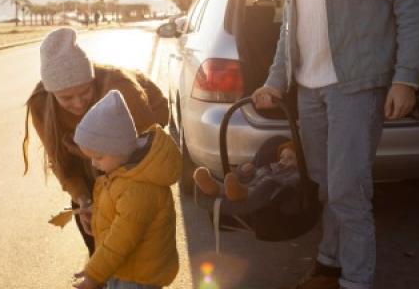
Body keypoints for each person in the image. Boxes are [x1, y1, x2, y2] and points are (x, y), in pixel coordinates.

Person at [252, 0, 419, 288]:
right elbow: (289, 22)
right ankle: (330, 264)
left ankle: (356, 280)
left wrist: (405, 78)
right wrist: (275, 79)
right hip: (309, 89)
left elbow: (411, 3)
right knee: (324, 186)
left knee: (349, 192)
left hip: (357, 85)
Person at [22, 27, 169, 256]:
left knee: (139, 249)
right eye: (67, 98)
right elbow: (62, 164)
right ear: (52, 93)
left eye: (85, 91)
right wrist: (83, 200)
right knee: (98, 248)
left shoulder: (120, 87)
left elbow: (149, 150)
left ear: (92, 80)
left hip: (134, 153)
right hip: (90, 163)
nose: (79, 103)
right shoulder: (40, 104)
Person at [70, 90, 180, 289]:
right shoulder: (125, 173)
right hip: (127, 269)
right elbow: (120, 213)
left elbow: (120, 241)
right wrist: (97, 212)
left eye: (99, 157)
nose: (94, 164)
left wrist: (93, 275)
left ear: (118, 148)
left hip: (137, 278)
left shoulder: (138, 188)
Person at [193, 137, 299, 202]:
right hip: (251, 183)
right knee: (234, 180)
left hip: (263, 193)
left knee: (255, 189)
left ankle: (236, 192)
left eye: (290, 158)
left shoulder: (295, 174)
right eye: (282, 157)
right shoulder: (271, 166)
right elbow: (257, 172)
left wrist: (273, 181)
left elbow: (291, 184)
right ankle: (213, 186)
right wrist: (245, 170)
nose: (284, 160)